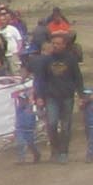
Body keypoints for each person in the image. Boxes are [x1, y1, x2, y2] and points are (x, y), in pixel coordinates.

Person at [32, 33, 84, 162]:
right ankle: (54, 150)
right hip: (51, 97)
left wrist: (81, 94)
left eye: (58, 43)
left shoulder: (71, 59)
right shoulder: (46, 60)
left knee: (66, 126)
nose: (55, 45)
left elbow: (78, 77)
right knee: (52, 123)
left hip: (67, 96)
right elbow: (40, 79)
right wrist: (39, 96)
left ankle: (63, 152)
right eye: (53, 43)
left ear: (64, 45)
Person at [11, 84, 42, 164]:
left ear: (26, 100)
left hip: (29, 129)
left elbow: (37, 113)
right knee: (21, 143)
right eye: (20, 100)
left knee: (31, 144)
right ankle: (21, 159)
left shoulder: (31, 107)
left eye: (22, 100)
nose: (21, 101)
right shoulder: (19, 108)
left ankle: (37, 154)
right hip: (20, 129)